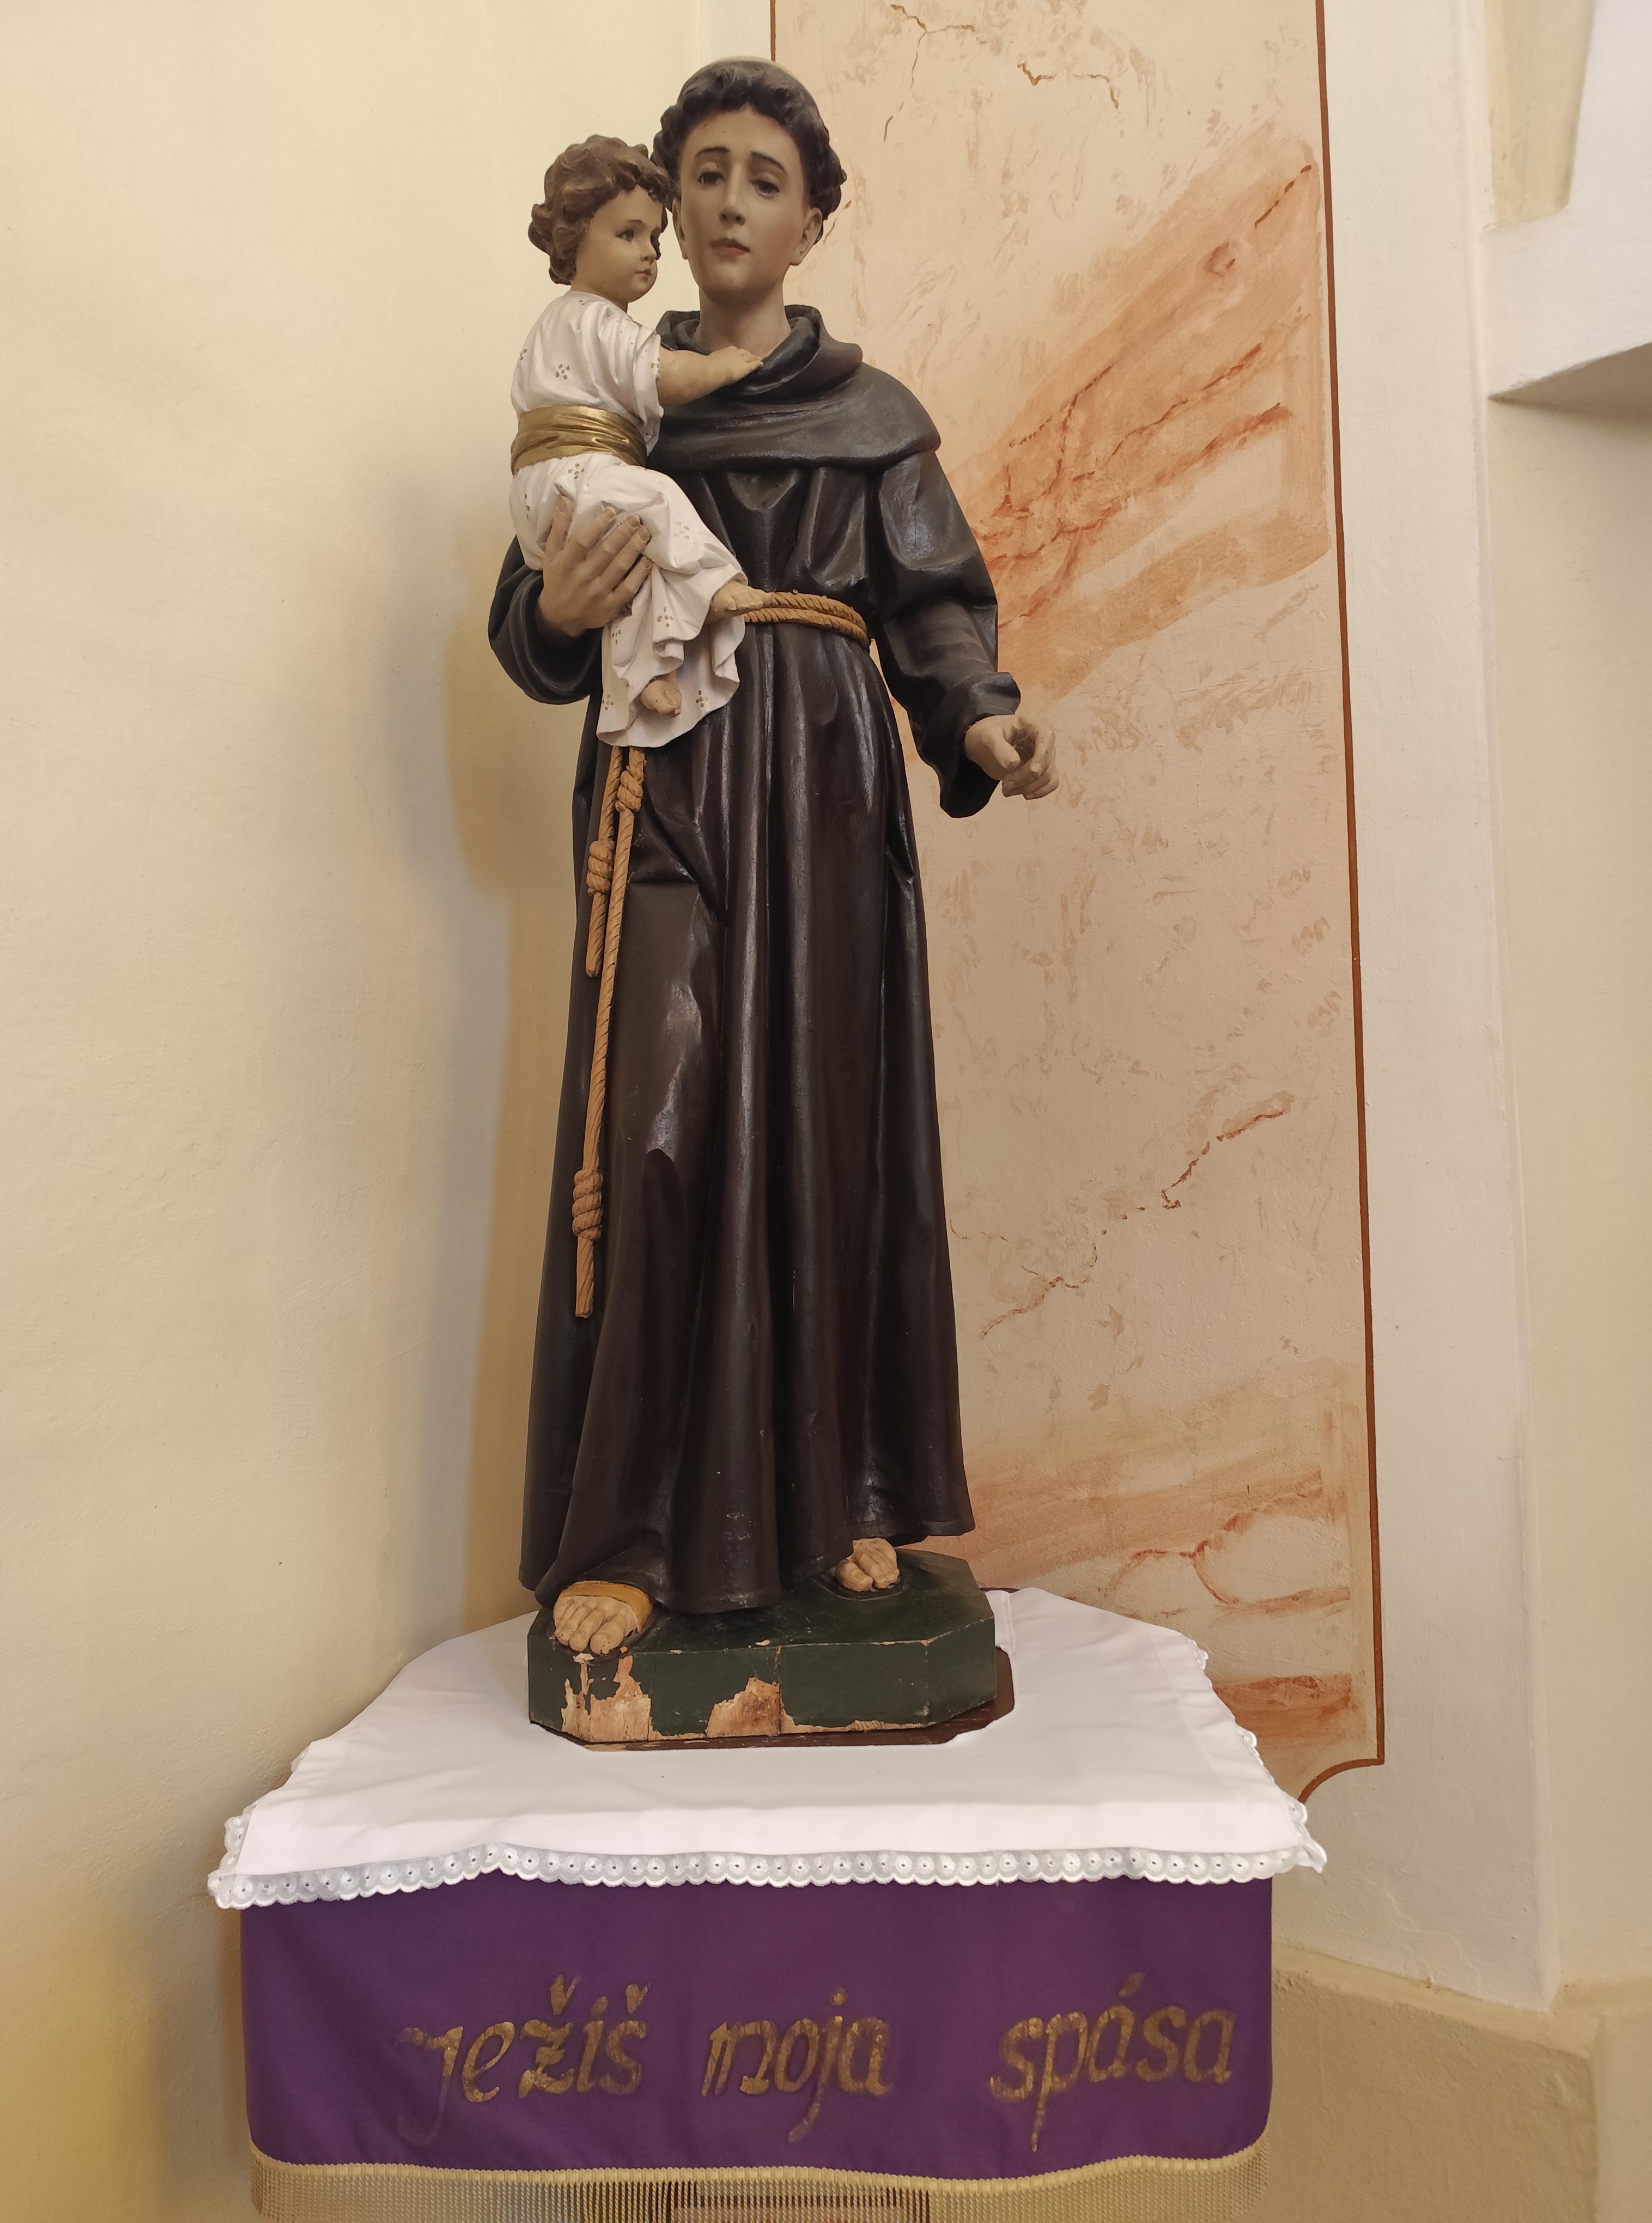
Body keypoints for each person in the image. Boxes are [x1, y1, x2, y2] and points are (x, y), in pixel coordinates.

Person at [489, 59, 1057, 1659]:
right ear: (669, 206)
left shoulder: (874, 418)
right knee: (654, 1132)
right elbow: (532, 596)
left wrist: (983, 719)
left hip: (818, 779)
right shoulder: (612, 382)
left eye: (765, 178)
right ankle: (627, 1528)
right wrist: (558, 611)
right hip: (666, 771)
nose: (732, 200)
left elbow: (935, 604)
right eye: (707, 173)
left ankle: (835, 1492)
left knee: (825, 1132)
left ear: (812, 220)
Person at [510, 135, 765, 750]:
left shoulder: (563, 325)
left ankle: (643, 675)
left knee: (637, 568)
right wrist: (723, 365)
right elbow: (665, 375)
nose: (649, 251)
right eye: (629, 235)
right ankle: (712, 584)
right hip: (577, 478)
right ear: (575, 241)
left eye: (653, 237)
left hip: (547, 486)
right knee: (658, 499)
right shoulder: (596, 319)